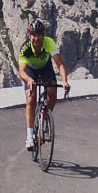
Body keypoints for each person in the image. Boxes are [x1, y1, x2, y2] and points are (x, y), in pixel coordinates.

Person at [18, 19, 69, 150]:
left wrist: (64, 81)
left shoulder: (48, 43)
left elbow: (60, 64)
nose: (36, 38)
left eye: (39, 35)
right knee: (31, 99)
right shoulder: (26, 48)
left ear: (43, 35)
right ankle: (29, 137)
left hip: (46, 68)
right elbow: (21, 72)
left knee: (52, 93)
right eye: (34, 35)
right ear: (29, 36)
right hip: (30, 71)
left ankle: (45, 116)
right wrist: (29, 80)